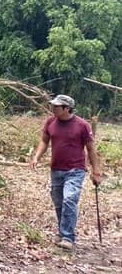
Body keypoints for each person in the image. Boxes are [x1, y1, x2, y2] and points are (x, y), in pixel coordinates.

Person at [30, 94, 102, 250]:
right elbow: (44, 141)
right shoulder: (50, 122)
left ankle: (68, 237)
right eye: (53, 105)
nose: (53, 108)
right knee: (59, 202)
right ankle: (63, 232)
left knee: (69, 199)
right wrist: (36, 156)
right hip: (56, 169)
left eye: (57, 106)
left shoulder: (82, 125)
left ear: (67, 108)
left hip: (76, 169)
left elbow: (90, 148)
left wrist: (96, 171)